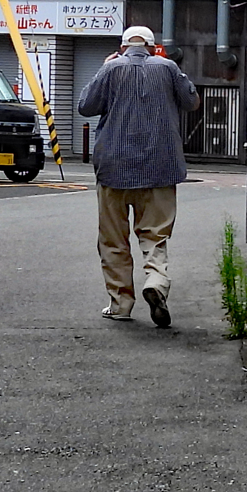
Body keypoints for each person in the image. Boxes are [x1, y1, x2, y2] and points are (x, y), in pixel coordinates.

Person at [78, 25, 200, 327]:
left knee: (113, 241)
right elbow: (192, 102)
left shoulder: (111, 69)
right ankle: (156, 282)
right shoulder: (168, 67)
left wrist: (103, 69)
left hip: (113, 169)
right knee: (155, 235)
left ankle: (120, 304)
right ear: (151, 45)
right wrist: (173, 72)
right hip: (160, 168)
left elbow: (85, 107)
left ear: (122, 47)